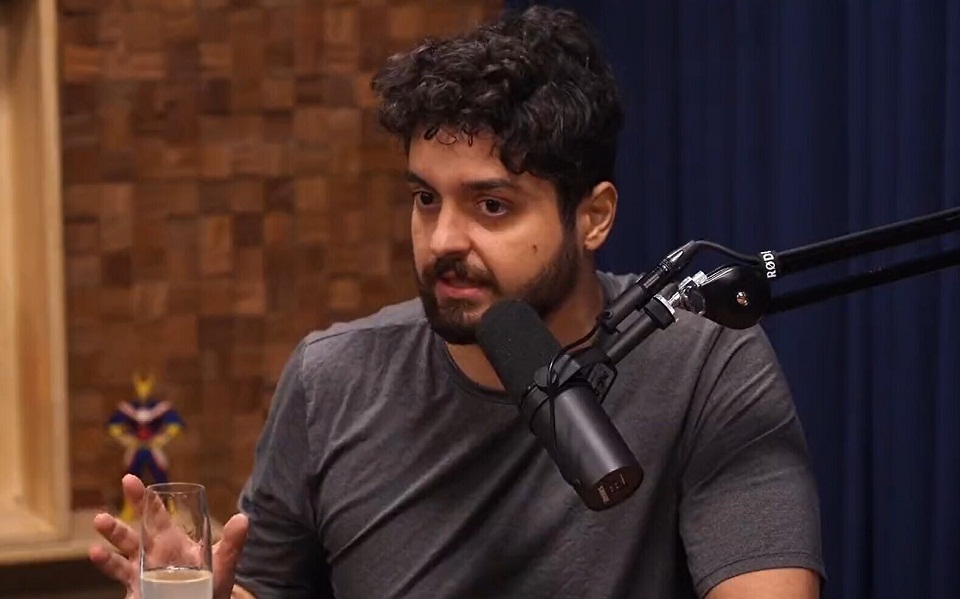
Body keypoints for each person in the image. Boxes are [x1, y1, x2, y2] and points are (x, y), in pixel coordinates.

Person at [89, 5, 825, 598]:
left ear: (594, 216)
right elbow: (264, 586)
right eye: (425, 198)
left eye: (492, 206)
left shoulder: (704, 365)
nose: (443, 240)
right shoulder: (331, 379)